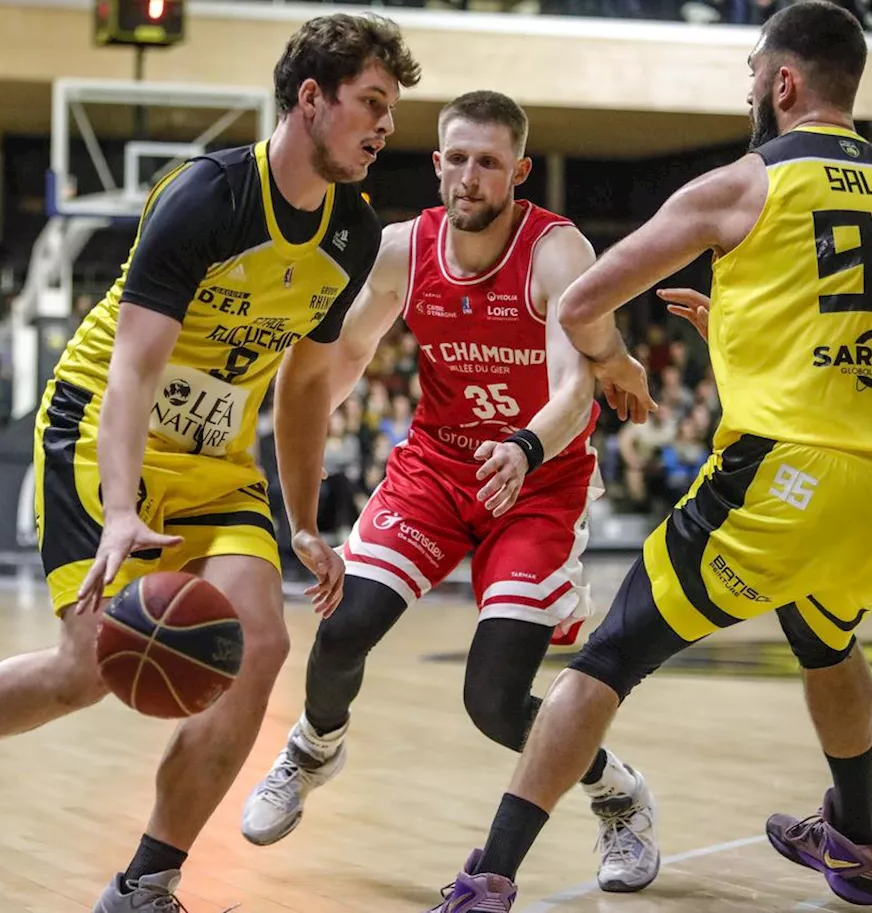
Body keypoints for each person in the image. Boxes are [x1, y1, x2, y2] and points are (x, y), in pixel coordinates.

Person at [0, 14, 421, 913]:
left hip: (218, 460)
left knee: (260, 648)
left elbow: (303, 390)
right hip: (105, 433)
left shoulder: (352, 236)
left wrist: (302, 519)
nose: (384, 126)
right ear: (312, 98)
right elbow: (134, 369)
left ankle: (145, 883)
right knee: (87, 668)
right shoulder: (206, 197)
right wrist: (116, 510)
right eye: (371, 102)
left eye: (391, 110)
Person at [430, 3, 872, 909]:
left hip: (788, 480)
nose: (749, 87)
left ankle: (490, 872)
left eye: (754, 70)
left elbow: (578, 302)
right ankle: (857, 839)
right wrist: (742, 332)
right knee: (825, 632)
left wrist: (618, 359)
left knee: (604, 663)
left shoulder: (742, 184)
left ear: (784, 82)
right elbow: (867, 336)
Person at [240, 91, 660, 895]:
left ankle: (616, 791)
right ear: (436, 164)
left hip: (539, 478)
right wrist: (298, 432)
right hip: (436, 467)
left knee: (495, 702)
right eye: (457, 159)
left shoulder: (556, 251)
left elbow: (578, 387)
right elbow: (345, 357)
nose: (470, 176)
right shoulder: (404, 247)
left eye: (489, 162)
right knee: (343, 628)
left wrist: (528, 442)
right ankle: (312, 747)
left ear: (519, 171)